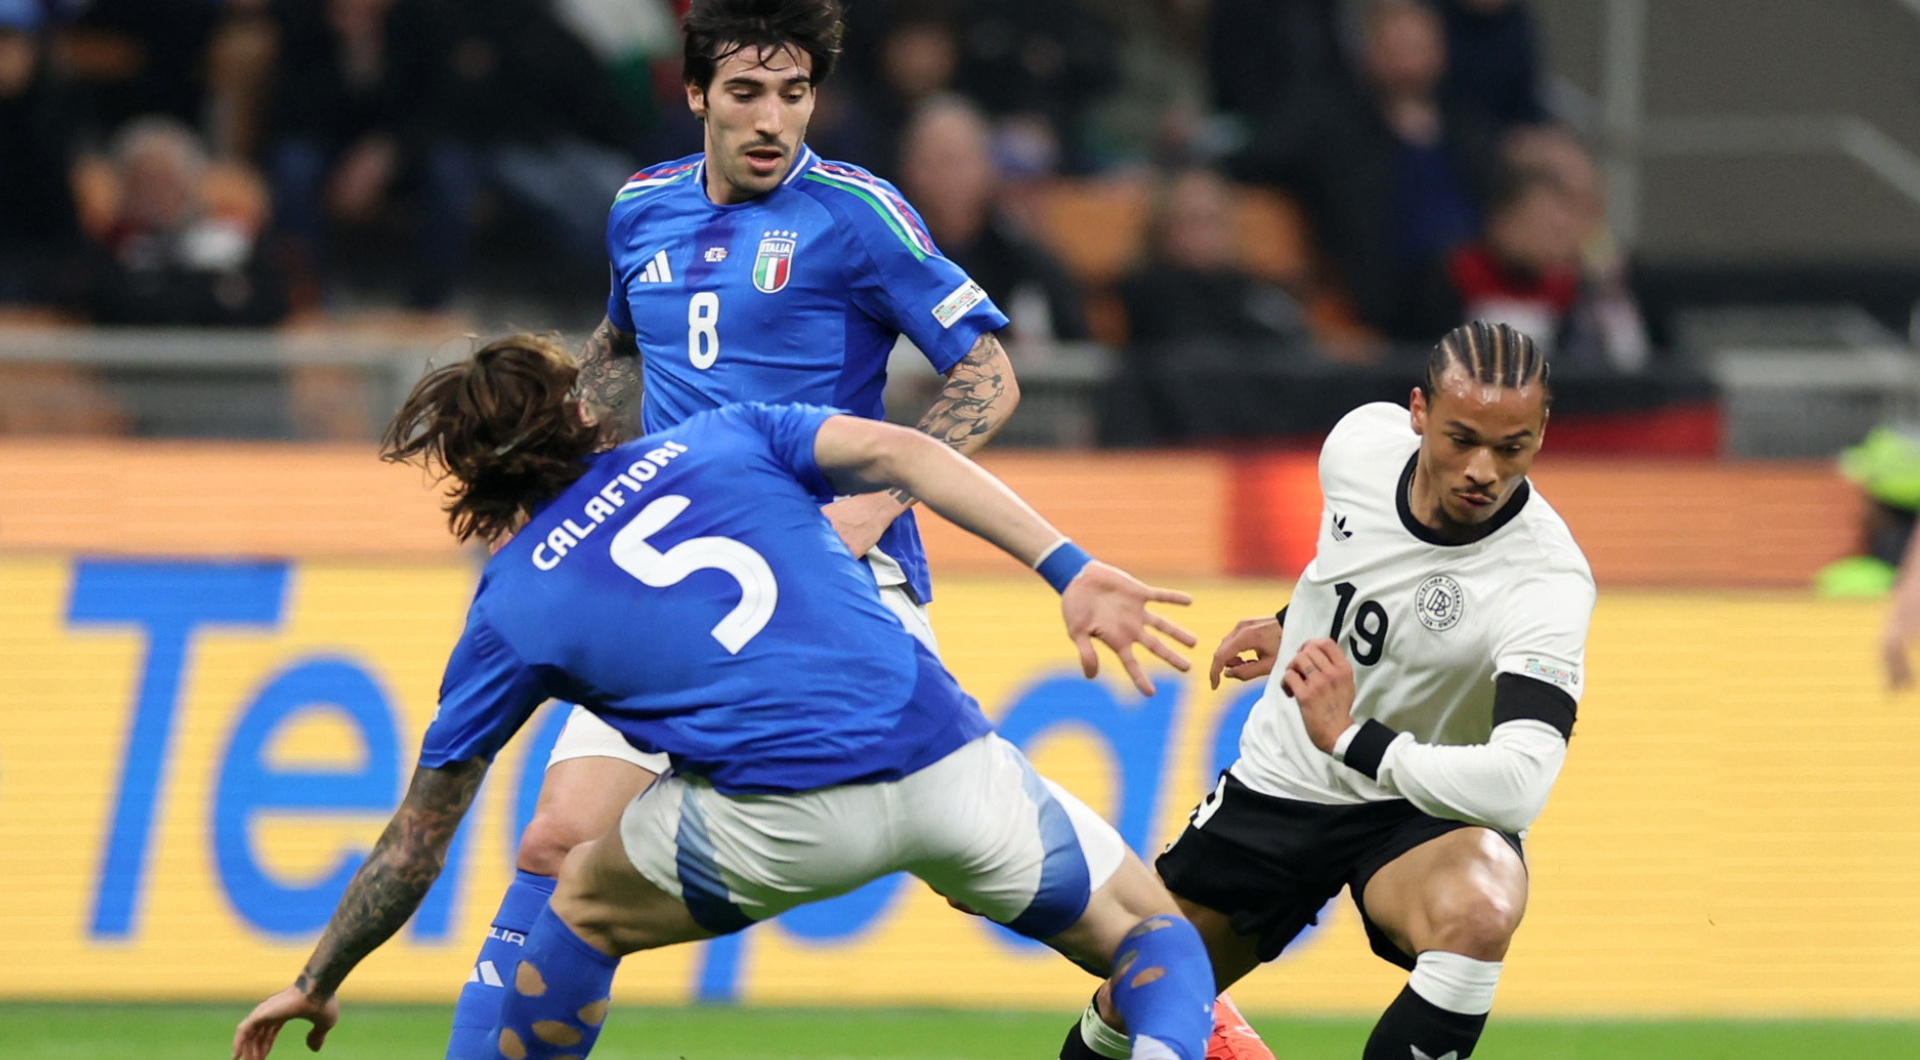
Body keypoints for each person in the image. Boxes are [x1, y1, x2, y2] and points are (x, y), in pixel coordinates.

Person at [230, 334, 1214, 1060]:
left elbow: (416, 840)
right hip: (943, 761)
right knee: (1151, 933)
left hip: (772, 825)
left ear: (472, 479)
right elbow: (911, 454)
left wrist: (318, 978)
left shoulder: (513, 604)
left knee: (576, 906)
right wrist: (1069, 566)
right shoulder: (725, 437)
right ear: (580, 412)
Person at [437, 3, 1025, 1057]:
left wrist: (875, 508)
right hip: (673, 585)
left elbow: (988, 375)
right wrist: (549, 464)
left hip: (832, 586)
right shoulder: (640, 209)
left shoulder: (858, 214)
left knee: (987, 855)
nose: (771, 120)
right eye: (746, 92)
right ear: (696, 92)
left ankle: (1182, 999)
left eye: (793, 94)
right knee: (558, 836)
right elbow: (621, 357)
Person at [1059, 320, 1596, 1060]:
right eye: (1460, 438)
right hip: (1290, 780)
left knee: (1481, 911)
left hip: (1422, 806)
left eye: (1512, 449)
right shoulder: (1359, 446)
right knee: (1136, 993)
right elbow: (1354, 559)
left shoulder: (1547, 579)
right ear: (1417, 413)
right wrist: (1296, 621)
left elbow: (1519, 784)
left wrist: (1354, 738)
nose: (1483, 470)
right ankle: (1215, 1026)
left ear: (1541, 433)